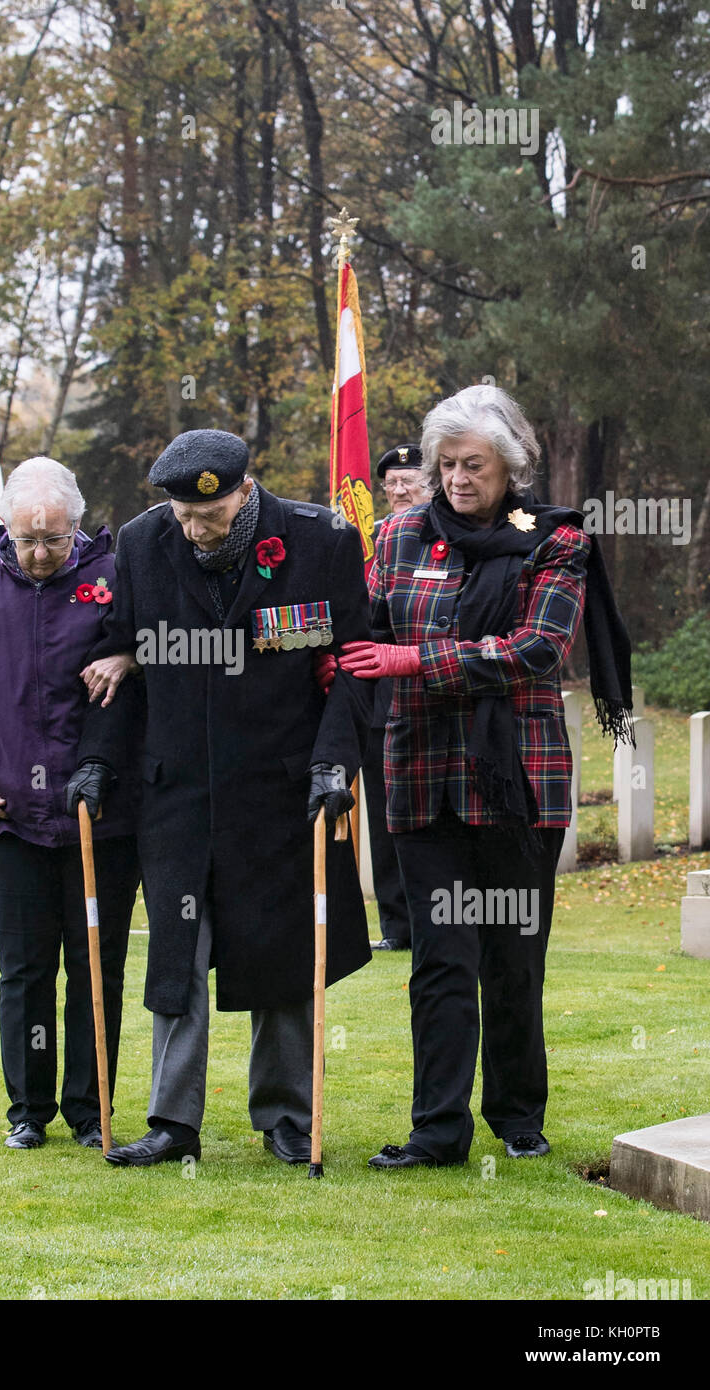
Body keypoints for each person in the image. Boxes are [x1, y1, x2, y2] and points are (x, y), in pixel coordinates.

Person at [334, 385, 632, 1169]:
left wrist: (414, 660)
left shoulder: (554, 542)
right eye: (446, 464)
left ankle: (517, 1116)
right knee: (439, 961)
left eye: (475, 465)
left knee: (512, 960)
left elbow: (536, 650)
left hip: (518, 783)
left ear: (512, 468)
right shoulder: (397, 536)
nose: (458, 479)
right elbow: (358, 633)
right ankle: (436, 1130)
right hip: (423, 776)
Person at [68, 429, 373, 1168]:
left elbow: (356, 663)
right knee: (177, 958)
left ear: (242, 492)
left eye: (206, 516)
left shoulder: (321, 539)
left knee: (285, 956)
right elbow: (120, 660)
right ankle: (172, 1122)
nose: (191, 529)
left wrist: (335, 763)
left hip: (280, 790)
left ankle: (287, 1117)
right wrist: (98, 760)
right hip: (177, 792)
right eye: (181, 514)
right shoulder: (143, 542)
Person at [0, 457, 141, 1152]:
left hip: (101, 814)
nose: (40, 554)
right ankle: (28, 1110)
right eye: (26, 539)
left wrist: (130, 652)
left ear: (78, 526)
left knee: (96, 963)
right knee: (25, 965)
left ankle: (90, 1107)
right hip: (7, 814)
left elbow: (157, 665)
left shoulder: (114, 582)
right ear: (4, 530)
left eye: (54, 539)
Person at [365, 446, 430, 950]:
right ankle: (397, 926)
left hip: (438, 692)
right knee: (386, 820)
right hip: (381, 699)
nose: (400, 491)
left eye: (410, 480)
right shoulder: (378, 542)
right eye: (390, 484)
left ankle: (441, 917)